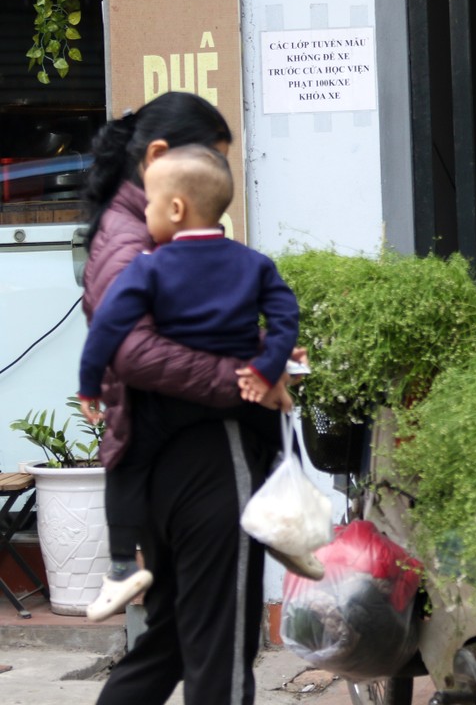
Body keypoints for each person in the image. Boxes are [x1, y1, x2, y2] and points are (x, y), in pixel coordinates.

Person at [80, 92, 296, 705]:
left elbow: (186, 325)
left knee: (176, 634)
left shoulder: (135, 230)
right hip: (201, 453)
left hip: (164, 455)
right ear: (157, 160)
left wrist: (263, 355)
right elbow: (130, 352)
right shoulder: (138, 241)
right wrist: (244, 376)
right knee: (222, 651)